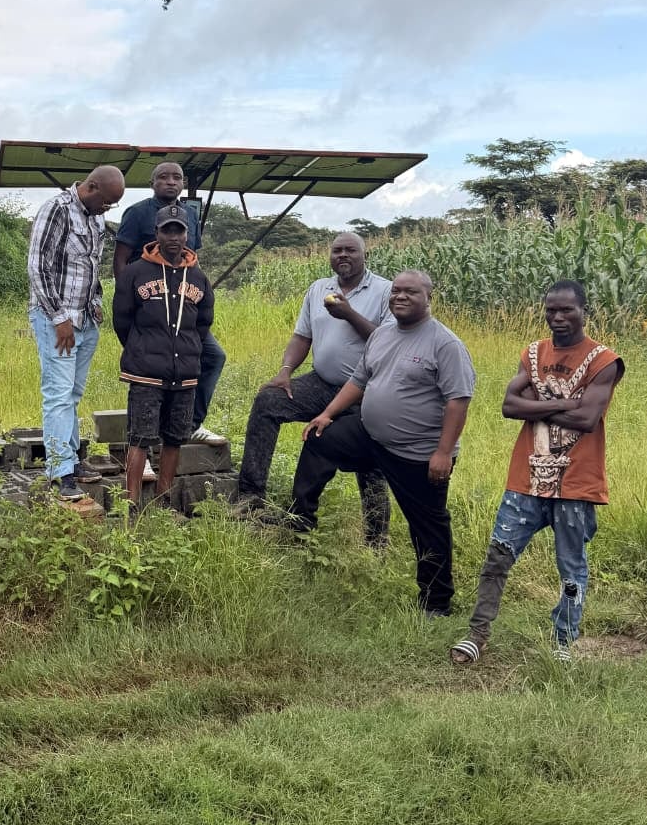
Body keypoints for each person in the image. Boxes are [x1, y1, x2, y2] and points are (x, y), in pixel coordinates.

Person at [450, 281, 624, 666]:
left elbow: (588, 418)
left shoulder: (604, 360)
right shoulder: (532, 353)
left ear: (584, 310)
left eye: (567, 311)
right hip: (527, 478)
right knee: (498, 556)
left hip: (577, 482)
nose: (558, 318)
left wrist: (540, 403)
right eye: (551, 311)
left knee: (571, 566)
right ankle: (477, 634)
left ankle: (564, 641)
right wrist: (566, 401)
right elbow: (509, 406)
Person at [298, 270, 475, 615]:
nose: (400, 297)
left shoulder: (445, 344)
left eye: (411, 292)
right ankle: (301, 521)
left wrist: (442, 453)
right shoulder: (382, 336)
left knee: (428, 525)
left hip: (417, 453)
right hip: (371, 437)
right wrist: (327, 414)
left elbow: (458, 401)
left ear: (428, 298)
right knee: (319, 439)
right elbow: (359, 380)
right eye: (395, 291)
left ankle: (436, 602)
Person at [236, 233, 391, 544]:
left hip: (367, 391)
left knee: (371, 461)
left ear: (365, 255)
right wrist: (285, 371)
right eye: (337, 251)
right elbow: (302, 336)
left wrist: (349, 314)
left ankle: (376, 538)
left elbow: (388, 344)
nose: (343, 256)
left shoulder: (385, 291)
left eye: (350, 250)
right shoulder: (319, 288)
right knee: (269, 402)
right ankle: (251, 496)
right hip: (322, 383)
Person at [27, 165, 126, 500]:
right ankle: (61, 471)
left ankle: (70, 458)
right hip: (58, 320)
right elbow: (38, 267)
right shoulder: (56, 209)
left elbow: (92, 267)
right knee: (57, 394)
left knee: (72, 394)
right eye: (107, 202)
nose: (107, 209)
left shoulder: (94, 218)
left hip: (86, 321)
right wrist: (59, 318)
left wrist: (96, 303)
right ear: (92, 186)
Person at [113, 162, 226, 444]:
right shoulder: (137, 213)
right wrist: (130, 303)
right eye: (163, 177)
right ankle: (142, 442)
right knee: (145, 374)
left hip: (182, 310)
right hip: (149, 307)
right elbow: (120, 259)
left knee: (212, 356)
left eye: (177, 177)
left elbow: (191, 261)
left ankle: (192, 422)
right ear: (152, 183)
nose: (170, 182)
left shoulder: (189, 215)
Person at [113, 204, 215, 508]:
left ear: (187, 235)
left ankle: (164, 498)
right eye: (166, 230)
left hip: (184, 373)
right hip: (145, 372)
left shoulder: (198, 277)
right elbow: (122, 320)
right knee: (141, 436)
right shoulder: (135, 273)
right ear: (156, 233)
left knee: (174, 437)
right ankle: (131, 504)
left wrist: (188, 350)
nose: (173, 237)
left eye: (179, 230)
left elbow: (204, 322)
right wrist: (141, 349)